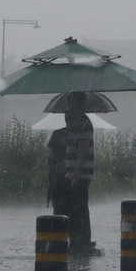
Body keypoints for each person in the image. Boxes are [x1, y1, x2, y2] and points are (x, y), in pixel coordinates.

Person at [55, 92, 95, 253]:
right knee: (75, 206)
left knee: (78, 207)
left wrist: (76, 172)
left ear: (80, 104)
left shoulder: (84, 122)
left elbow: (83, 147)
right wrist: (65, 165)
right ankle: (78, 238)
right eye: (69, 103)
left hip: (80, 173)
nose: (70, 106)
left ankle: (81, 240)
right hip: (73, 171)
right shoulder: (75, 122)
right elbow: (73, 148)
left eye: (72, 103)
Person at [46, 126, 68, 210]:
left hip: (56, 174)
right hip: (62, 174)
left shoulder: (57, 133)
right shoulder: (75, 134)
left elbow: (50, 154)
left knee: (57, 201)